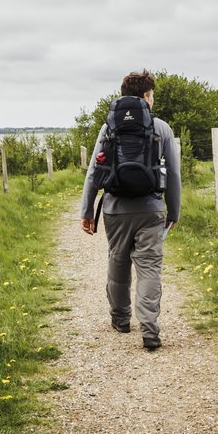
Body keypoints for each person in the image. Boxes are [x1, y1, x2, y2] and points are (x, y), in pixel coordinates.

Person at [80, 70, 182, 351]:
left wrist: (87, 210)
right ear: (147, 96)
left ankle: (121, 318)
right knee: (149, 268)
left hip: (114, 209)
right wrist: (174, 211)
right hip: (151, 210)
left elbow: (93, 172)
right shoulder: (161, 128)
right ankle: (150, 329)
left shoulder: (109, 127)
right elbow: (173, 174)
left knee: (118, 261)